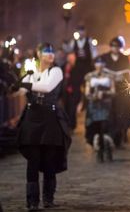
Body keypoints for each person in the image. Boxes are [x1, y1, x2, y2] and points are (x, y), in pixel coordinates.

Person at [16, 43, 71, 211]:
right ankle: (32, 202)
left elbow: (46, 87)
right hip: (32, 119)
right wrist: (15, 83)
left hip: (50, 119)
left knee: (49, 160)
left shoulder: (56, 71)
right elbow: (20, 92)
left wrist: (26, 85)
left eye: (51, 51)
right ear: (38, 54)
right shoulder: (31, 72)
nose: (50, 54)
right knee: (33, 161)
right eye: (46, 52)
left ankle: (48, 198)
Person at [101, 36, 130, 147]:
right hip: (109, 89)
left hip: (121, 89)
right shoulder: (104, 57)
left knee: (121, 112)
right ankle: (110, 135)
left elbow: (129, 71)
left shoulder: (124, 58)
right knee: (110, 113)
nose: (114, 48)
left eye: (117, 46)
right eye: (113, 46)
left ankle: (119, 136)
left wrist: (122, 76)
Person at [84, 57, 115, 162]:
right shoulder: (89, 76)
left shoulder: (109, 76)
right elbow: (87, 92)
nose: (100, 65)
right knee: (95, 130)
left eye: (102, 62)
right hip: (94, 106)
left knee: (105, 130)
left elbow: (113, 91)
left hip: (106, 105)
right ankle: (99, 152)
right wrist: (94, 96)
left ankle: (108, 150)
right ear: (94, 64)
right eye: (97, 63)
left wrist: (104, 93)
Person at [62, 52, 81, 130]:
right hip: (65, 92)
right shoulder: (63, 67)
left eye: (73, 58)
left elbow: (78, 80)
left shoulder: (77, 68)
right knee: (66, 108)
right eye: (70, 58)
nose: (71, 60)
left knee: (72, 110)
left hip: (74, 92)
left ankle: (72, 125)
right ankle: (67, 124)